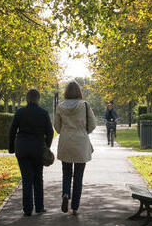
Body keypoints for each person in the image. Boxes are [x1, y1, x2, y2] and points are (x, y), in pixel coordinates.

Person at [8, 88, 54, 216]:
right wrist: (47, 147)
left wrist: (11, 147)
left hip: (22, 148)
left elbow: (12, 131)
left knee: (26, 179)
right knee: (38, 178)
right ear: (38, 99)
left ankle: (27, 209)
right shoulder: (43, 113)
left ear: (27, 98)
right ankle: (39, 207)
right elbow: (49, 132)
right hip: (38, 148)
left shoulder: (20, 112)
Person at [54, 80, 96, 215]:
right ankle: (75, 207)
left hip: (66, 142)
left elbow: (57, 127)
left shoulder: (60, 106)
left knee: (66, 173)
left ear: (66, 92)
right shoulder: (84, 105)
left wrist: (65, 131)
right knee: (78, 177)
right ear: (79, 92)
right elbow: (93, 124)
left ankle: (66, 193)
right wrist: (84, 131)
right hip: (80, 143)